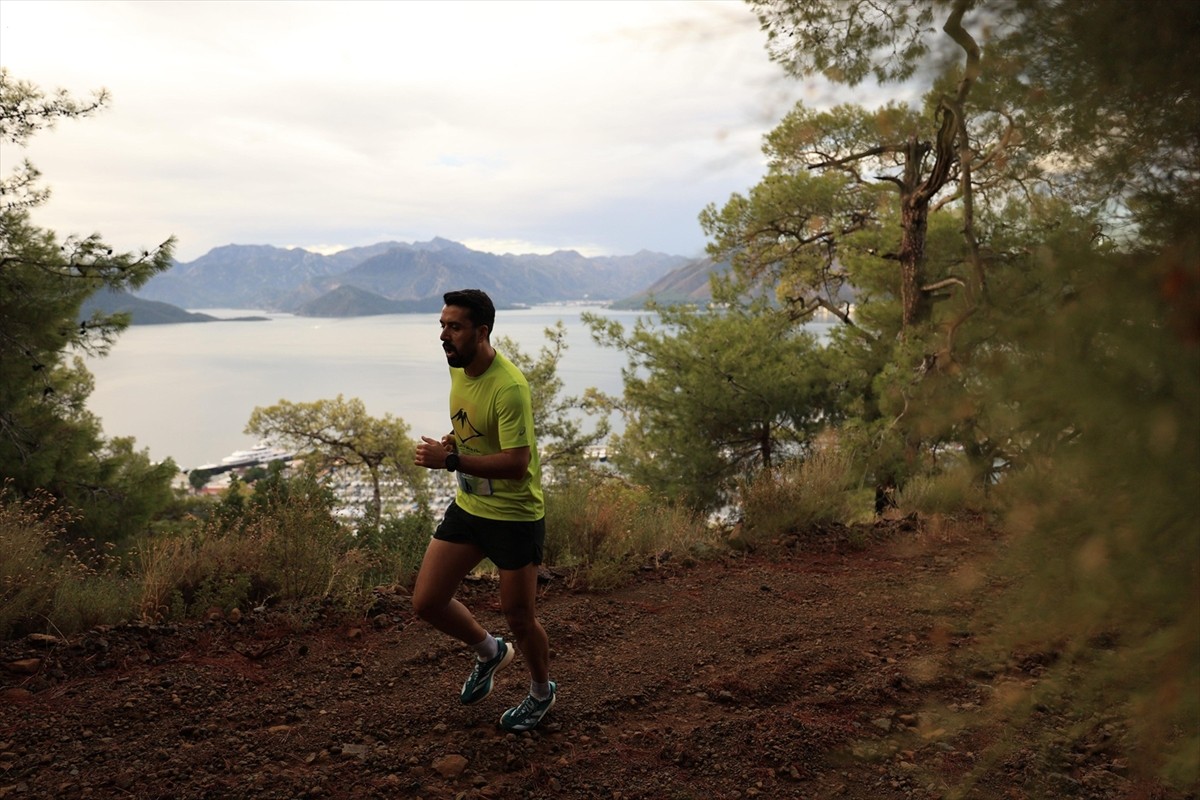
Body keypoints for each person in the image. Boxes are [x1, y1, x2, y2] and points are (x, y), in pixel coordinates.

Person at [411, 288, 556, 732]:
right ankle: (490, 651)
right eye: (442, 325)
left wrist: (450, 460)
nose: (444, 335)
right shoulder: (459, 367)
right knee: (427, 602)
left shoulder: (509, 387)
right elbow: (475, 430)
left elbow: (516, 464)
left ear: (482, 331)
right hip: (471, 506)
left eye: (454, 327)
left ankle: (540, 692)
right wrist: (454, 443)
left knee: (519, 616)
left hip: (513, 516)